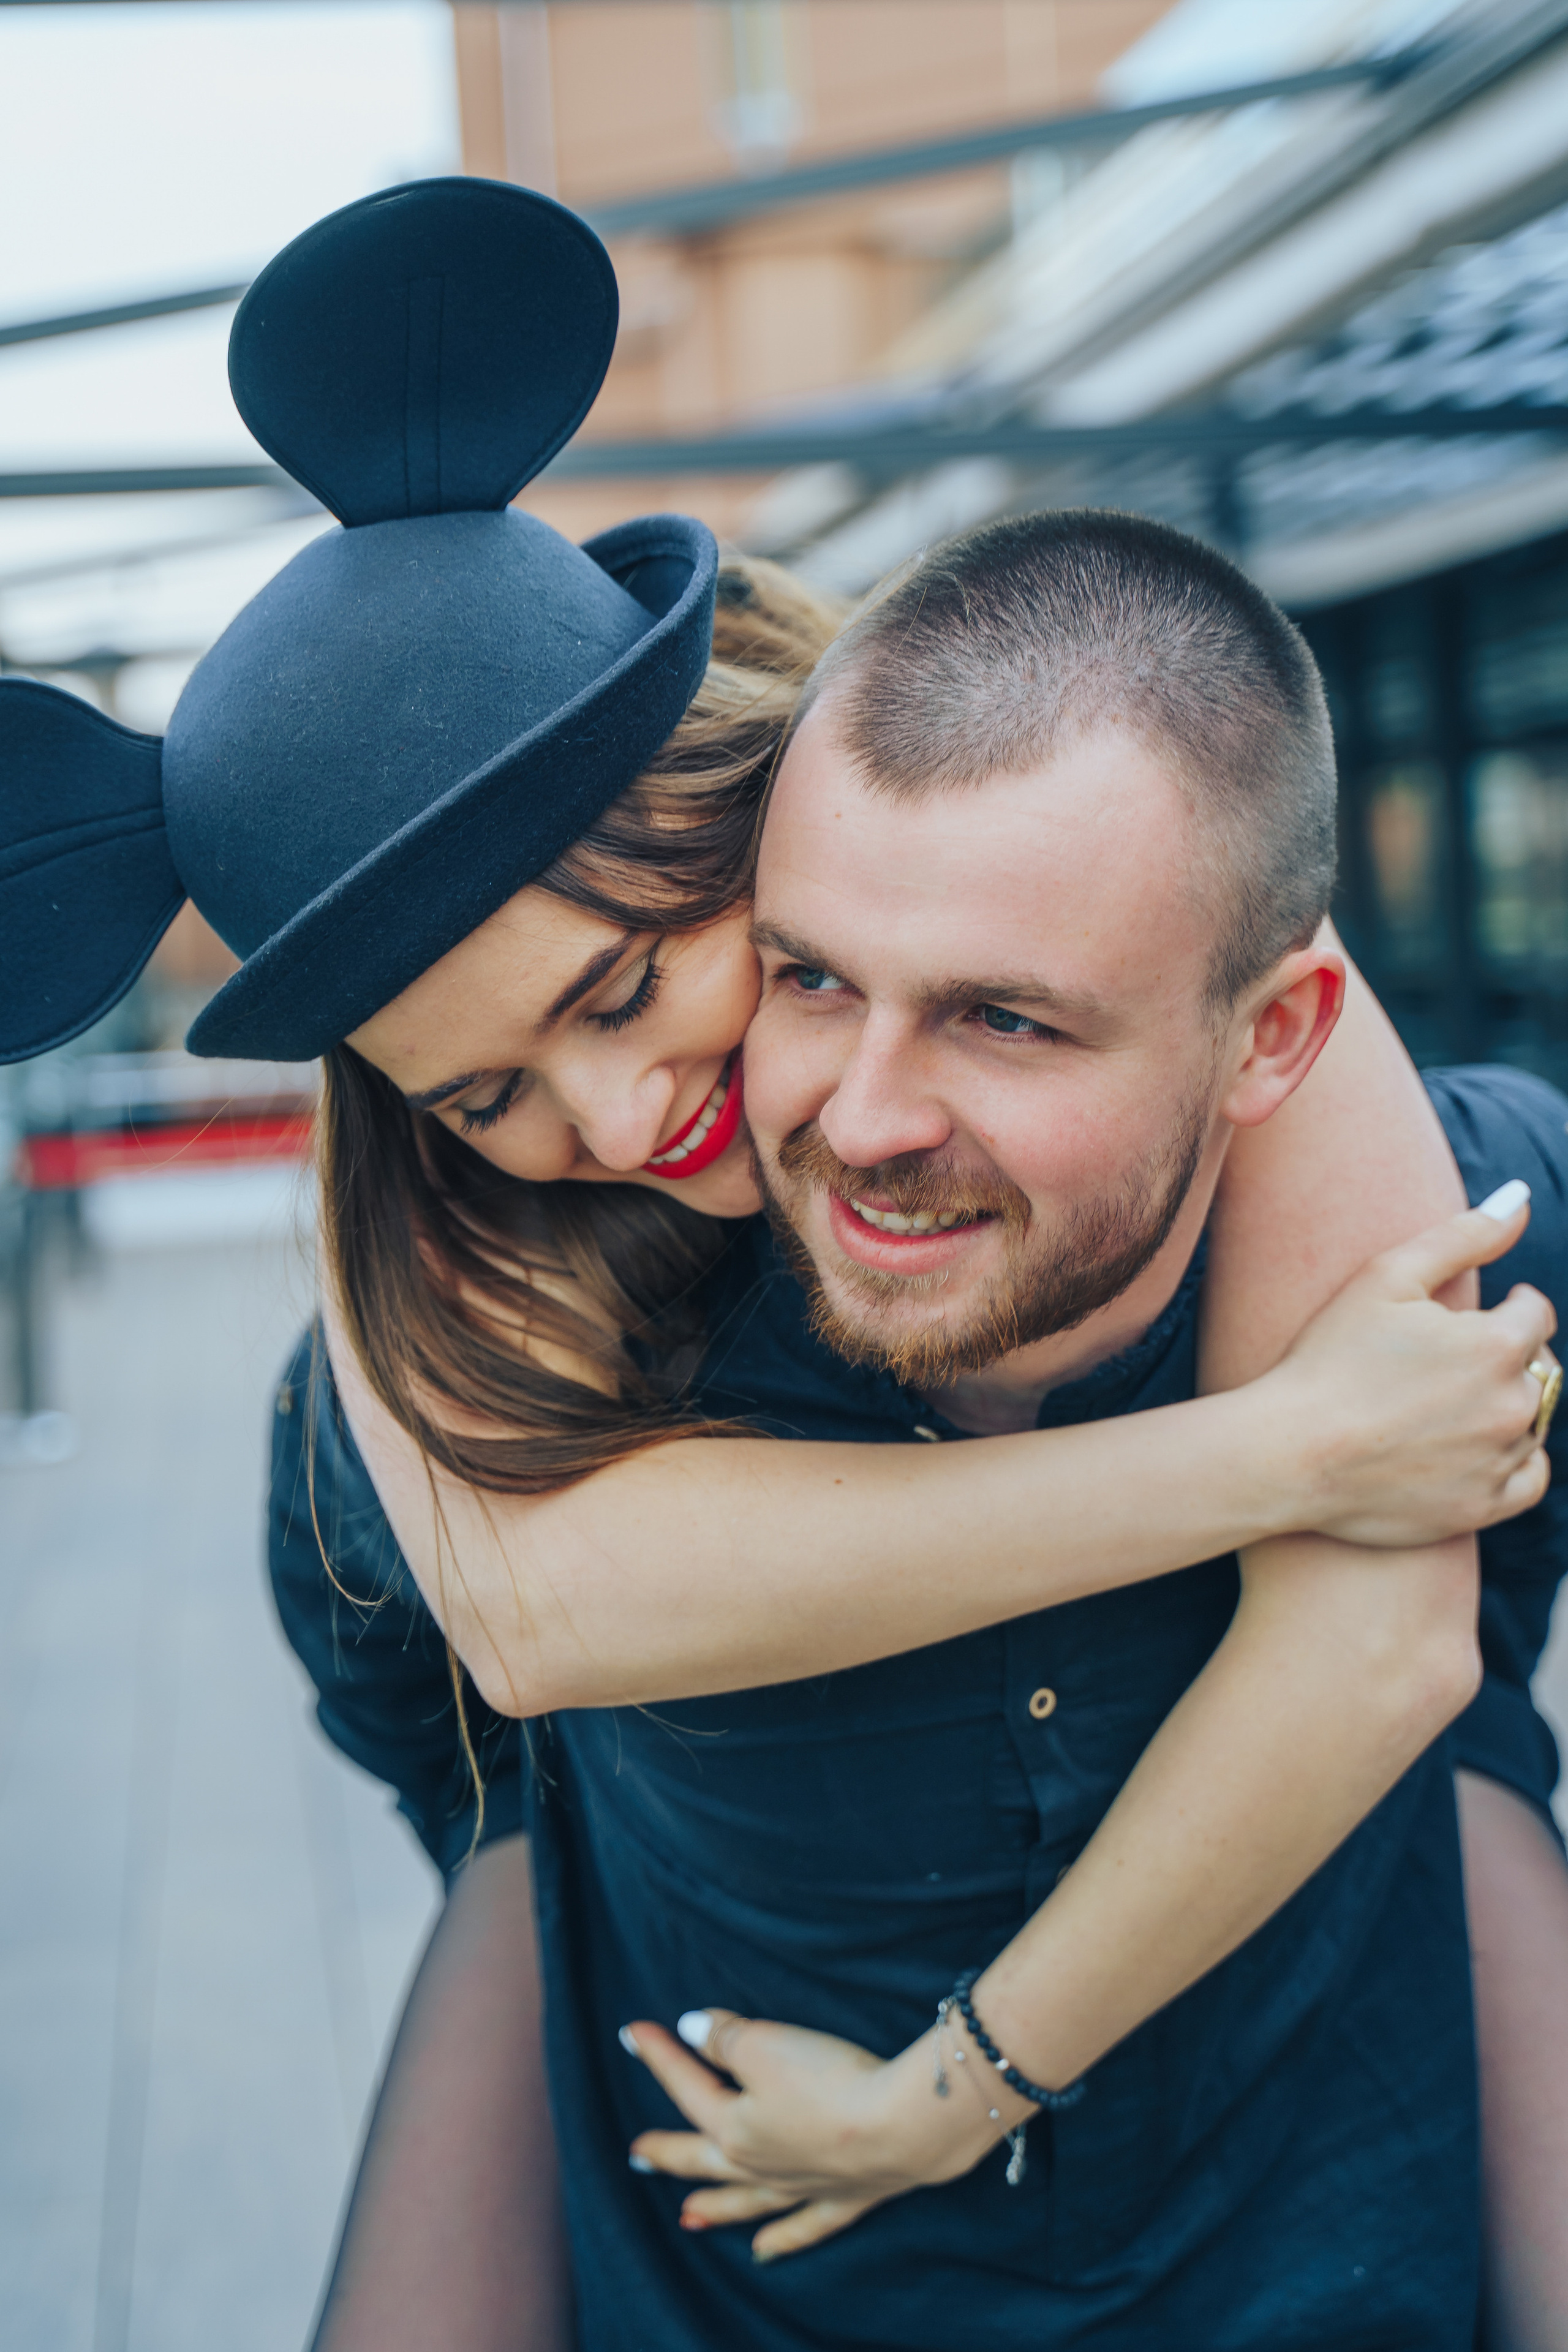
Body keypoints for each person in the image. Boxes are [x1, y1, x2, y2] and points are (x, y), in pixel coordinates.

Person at [0, 181, 1559, 2348]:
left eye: (640, 986)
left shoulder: (1202, 975)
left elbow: (1396, 1649)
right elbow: (513, 1651)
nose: (626, 1123)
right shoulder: (447, 1283)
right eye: (486, 1095)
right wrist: (1291, 1453)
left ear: (731, 794)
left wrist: (955, 2084)